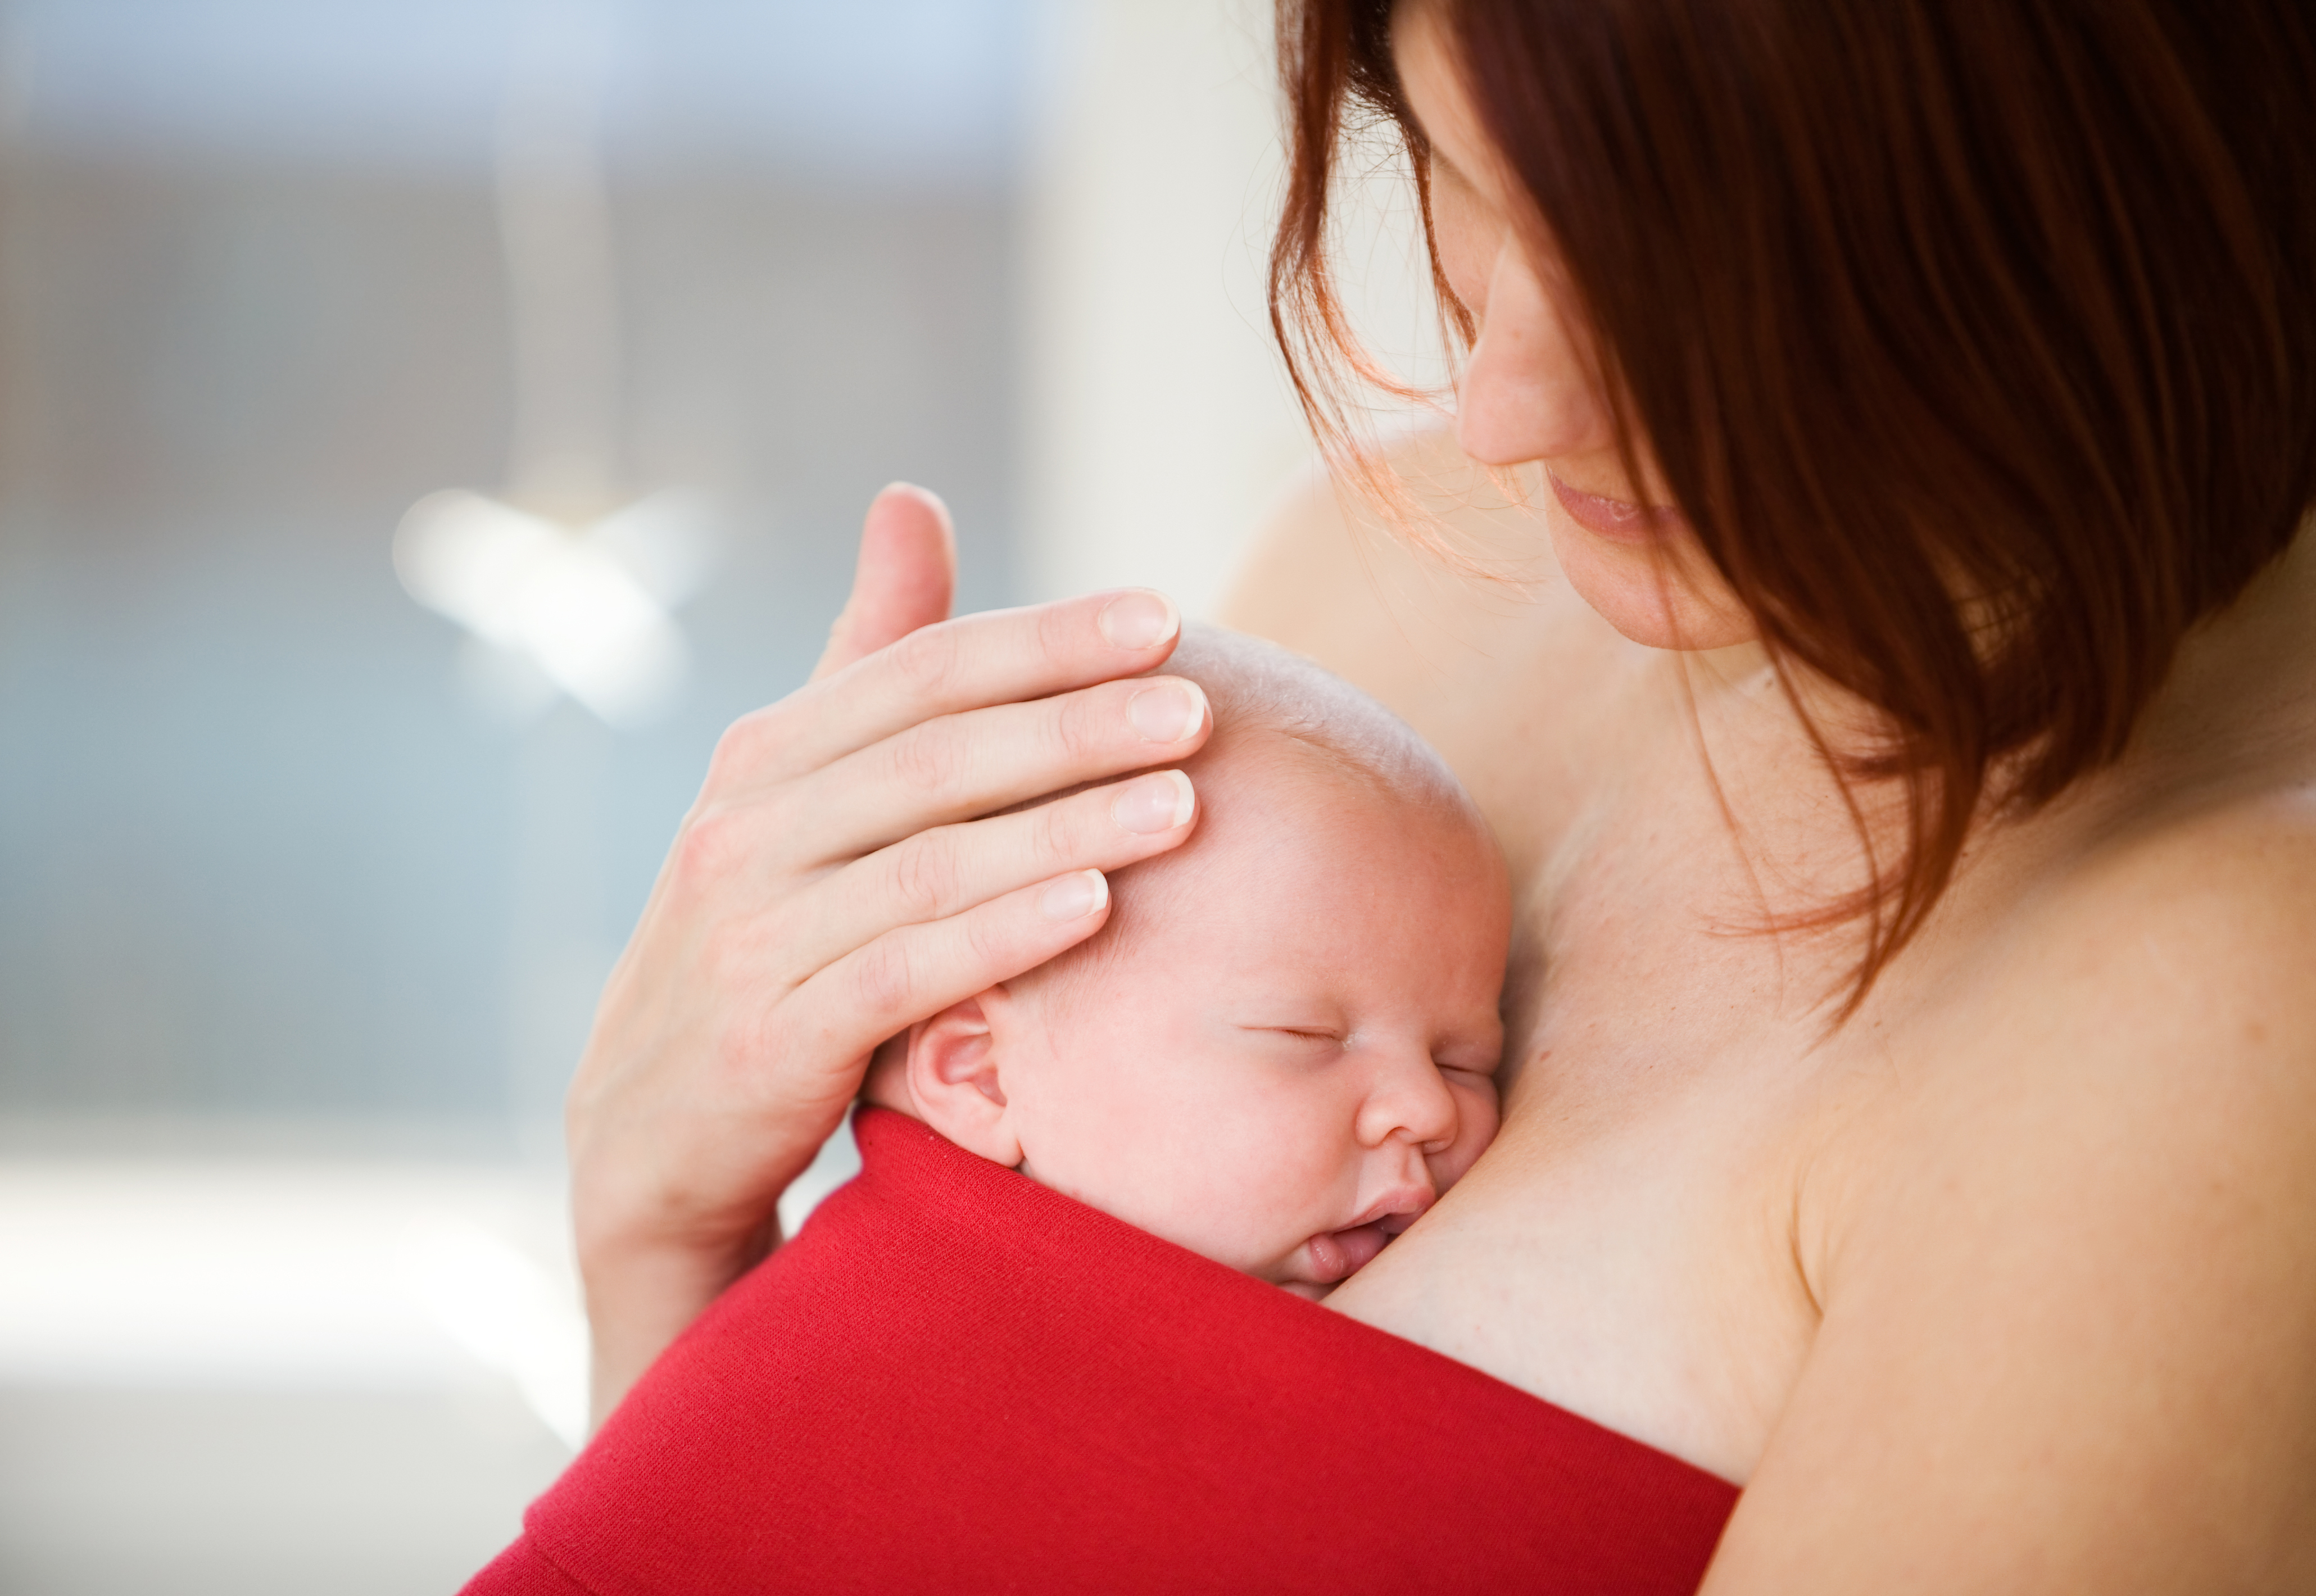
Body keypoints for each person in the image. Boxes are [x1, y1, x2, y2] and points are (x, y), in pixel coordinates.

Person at [552, 1, 2316, 1588]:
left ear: (2088, 193)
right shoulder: (1395, 582)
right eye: (1459, 178)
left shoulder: (2214, 1003)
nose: (1498, 406)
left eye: (1674, 270)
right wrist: (657, 1232)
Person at [858, 625, 1510, 1300]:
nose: (1429, 1108)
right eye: (1306, 1035)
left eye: (1463, 1061)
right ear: (985, 1074)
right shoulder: (860, 1339)